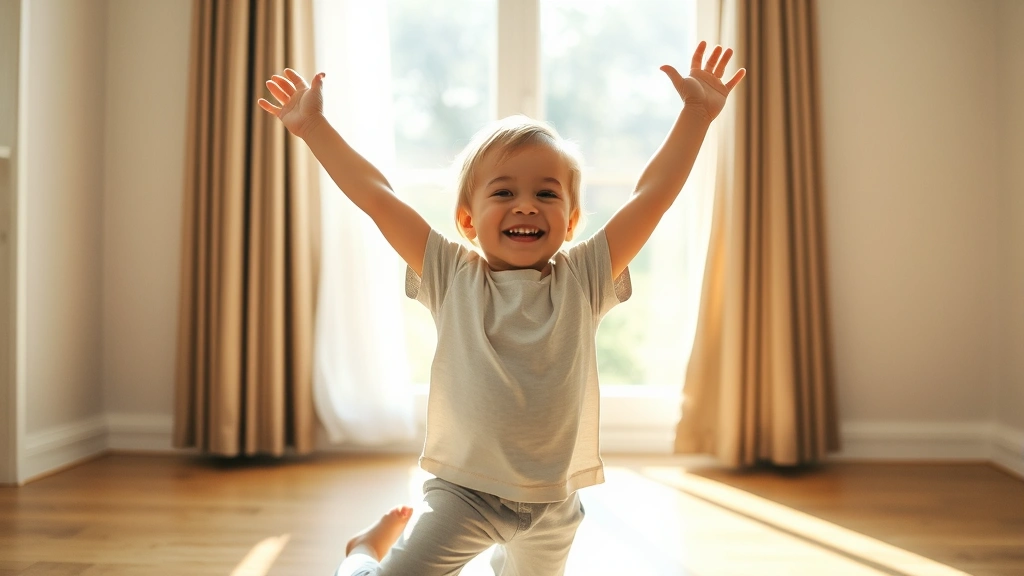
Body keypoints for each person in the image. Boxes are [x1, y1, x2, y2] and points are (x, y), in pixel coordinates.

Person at [259, 40, 745, 576]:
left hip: (553, 504)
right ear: (468, 221)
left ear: (571, 218)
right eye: (503, 192)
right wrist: (314, 130)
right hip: (465, 496)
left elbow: (650, 197)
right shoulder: (450, 274)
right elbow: (377, 196)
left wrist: (697, 115)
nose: (526, 205)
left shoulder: (583, 279)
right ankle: (363, 551)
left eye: (547, 193)